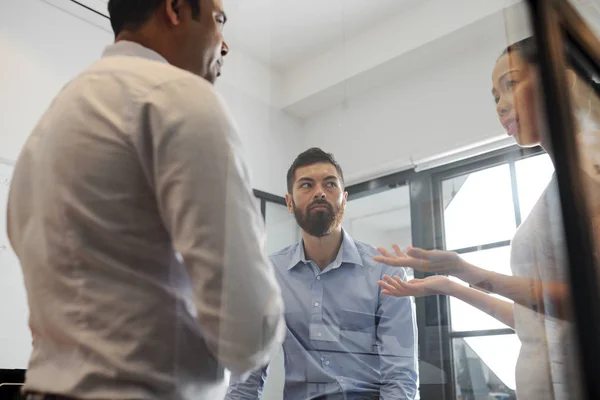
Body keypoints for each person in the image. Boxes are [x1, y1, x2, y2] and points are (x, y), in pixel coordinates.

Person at [7, 0, 285, 399]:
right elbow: (248, 332)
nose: (224, 46)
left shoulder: (44, 133)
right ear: (174, 9)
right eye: (218, 20)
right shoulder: (180, 98)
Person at [374, 37, 600, 400]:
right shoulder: (562, 184)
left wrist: (475, 274)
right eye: (495, 96)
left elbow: (591, 301)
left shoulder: (592, 164)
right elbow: (537, 325)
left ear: (562, 80)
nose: (500, 105)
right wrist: (451, 281)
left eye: (510, 84)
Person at [226, 148, 418, 400]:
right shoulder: (269, 276)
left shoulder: (386, 271)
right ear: (289, 202)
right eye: (306, 185)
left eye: (330, 184)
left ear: (344, 198)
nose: (319, 192)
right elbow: (247, 378)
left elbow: (401, 379)